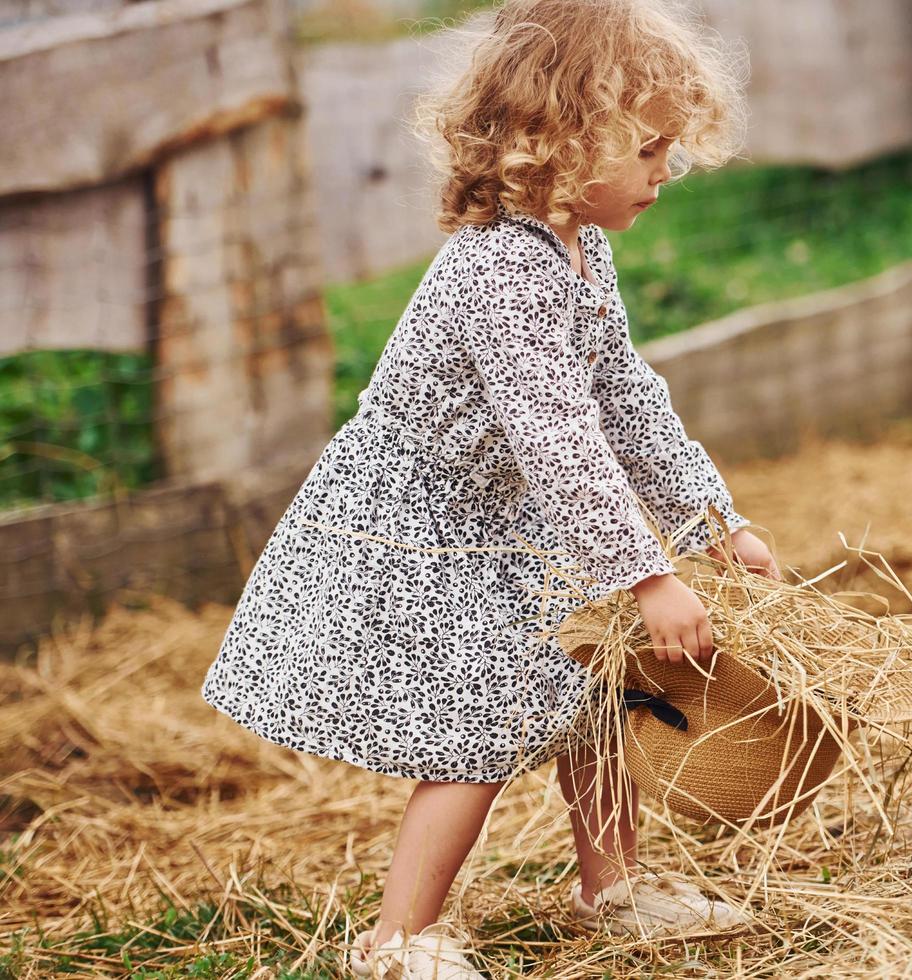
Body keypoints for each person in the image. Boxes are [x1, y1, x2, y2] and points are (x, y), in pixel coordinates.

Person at [200, 1, 777, 975]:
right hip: (425, 530)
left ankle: (614, 886)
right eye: (646, 149)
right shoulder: (501, 273)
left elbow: (625, 398)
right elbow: (560, 441)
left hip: (505, 522)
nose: (663, 174)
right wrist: (646, 575)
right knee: (484, 720)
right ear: (558, 141)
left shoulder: (580, 253)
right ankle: (396, 936)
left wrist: (711, 520)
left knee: (597, 685)